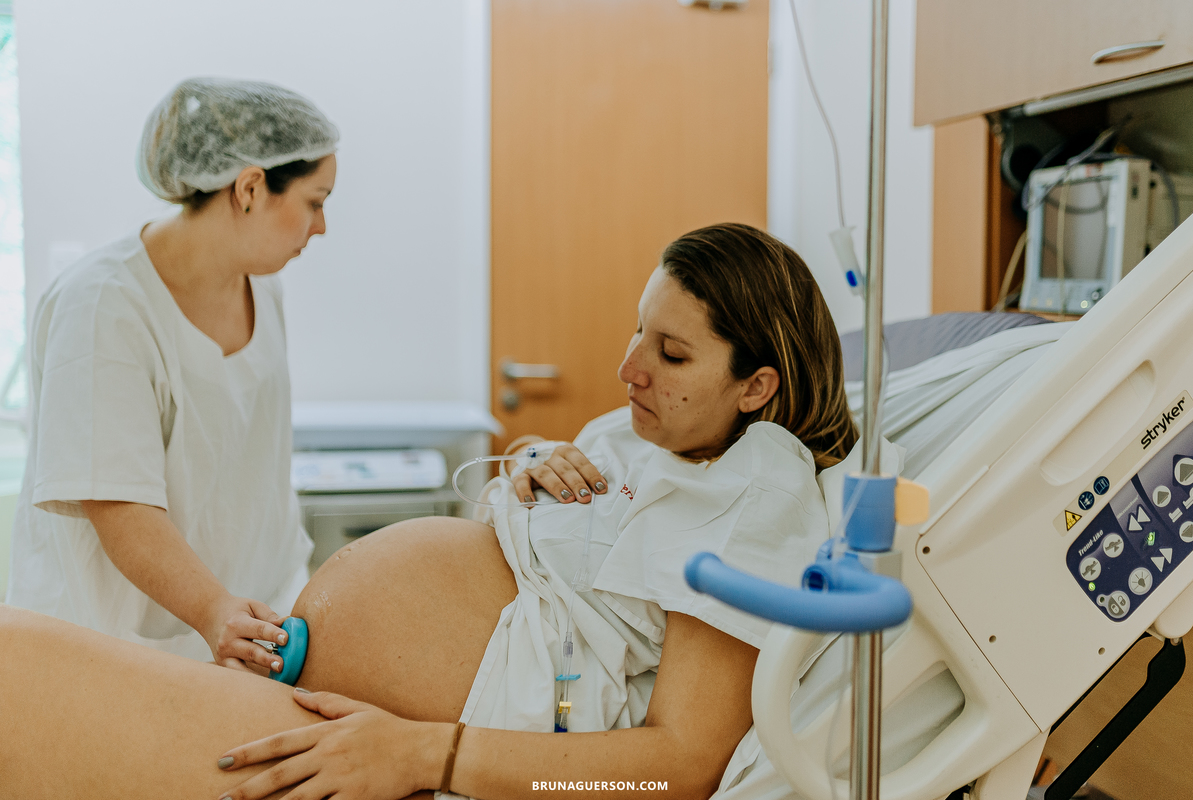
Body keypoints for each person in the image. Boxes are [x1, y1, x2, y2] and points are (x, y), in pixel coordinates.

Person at [0, 223, 866, 799]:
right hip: (337, 703)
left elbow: (677, 770)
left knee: (17, 679)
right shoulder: (653, 436)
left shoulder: (759, 484)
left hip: (395, 746)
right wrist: (527, 473)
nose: (628, 367)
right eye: (638, 330)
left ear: (758, 387)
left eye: (670, 353)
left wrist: (431, 755)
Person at [4, 77, 338, 672]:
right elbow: (117, 503)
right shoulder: (104, 306)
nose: (321, 227)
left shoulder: (264, 286)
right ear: (251, 188)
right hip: (115, 650)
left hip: (245, 636)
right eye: (315, 201)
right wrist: (216, 613)